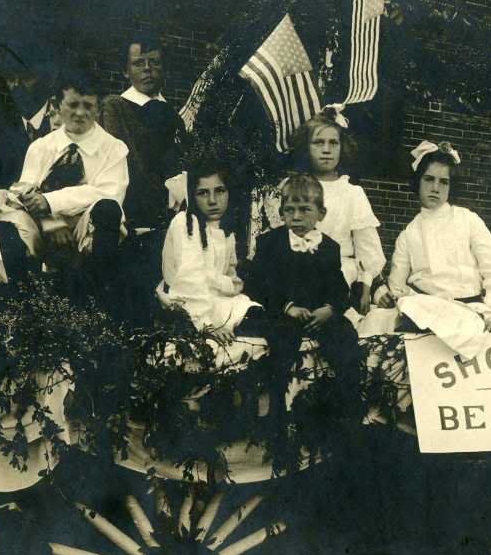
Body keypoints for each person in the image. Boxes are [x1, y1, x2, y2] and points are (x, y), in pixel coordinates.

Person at [0, 71, 128, 285]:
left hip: (87, 228)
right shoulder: (41, 147)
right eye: (73, 105)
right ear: (56, 105)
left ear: (99, 108)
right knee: (9, 223)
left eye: (88, 106)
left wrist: (51, 202)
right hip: (43, 227)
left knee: (107, 209)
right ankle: (21, 294)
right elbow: (25, 190)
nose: (80, 113)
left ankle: (99, 290)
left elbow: (108, 193)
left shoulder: (113, 148)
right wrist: (51, 222)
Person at [370, 142, 491, 353]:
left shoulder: (468, 220)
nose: (435, 188)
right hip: (426, 311)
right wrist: (384, 294)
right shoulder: (408, 235)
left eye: (443, 182)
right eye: (429, 179)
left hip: (469, 309)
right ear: (417, 182)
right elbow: (397, 287)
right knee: (384, 319)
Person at [241, 173, 362, 402]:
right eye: (290, 210)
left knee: (345, 335)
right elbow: (257, 286)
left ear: (321, 213)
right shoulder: (270, 243)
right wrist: (287, 307)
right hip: (282, 315)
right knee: (283, 341)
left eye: (305, 209)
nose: (296, 217)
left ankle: (344, 407)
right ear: (281, 212)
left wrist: (329, 309)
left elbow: (338, 288)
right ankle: (277, 411)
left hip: (318, 317)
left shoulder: (329, 247)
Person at [288, 107, 385, 315]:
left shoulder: (352, 193)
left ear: (342, 147)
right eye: (318, 143)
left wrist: (366, 287)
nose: (326, 149)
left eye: (333, 143)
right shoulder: (292, 186)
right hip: (298, 264)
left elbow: (367, 247)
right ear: (306, 148)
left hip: (339, 269)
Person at [156, 160, 259, 340]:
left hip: (219, 301)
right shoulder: (186, 223)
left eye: (219, 191)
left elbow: (230, 274)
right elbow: (190, 277)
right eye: (203, 193)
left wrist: (228, 287)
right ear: (192, 196)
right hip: (188, 305)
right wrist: (206, 324)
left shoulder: (224, 229)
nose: (212, 201)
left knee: (265, 318)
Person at [101, 34, 187, 231]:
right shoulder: (116, 108)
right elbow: (124, 164)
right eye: (138, 63)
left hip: (175, 219)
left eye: (154, 62)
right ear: (125, 71)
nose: (147, 69)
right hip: (135, 216)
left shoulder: (173, 116)